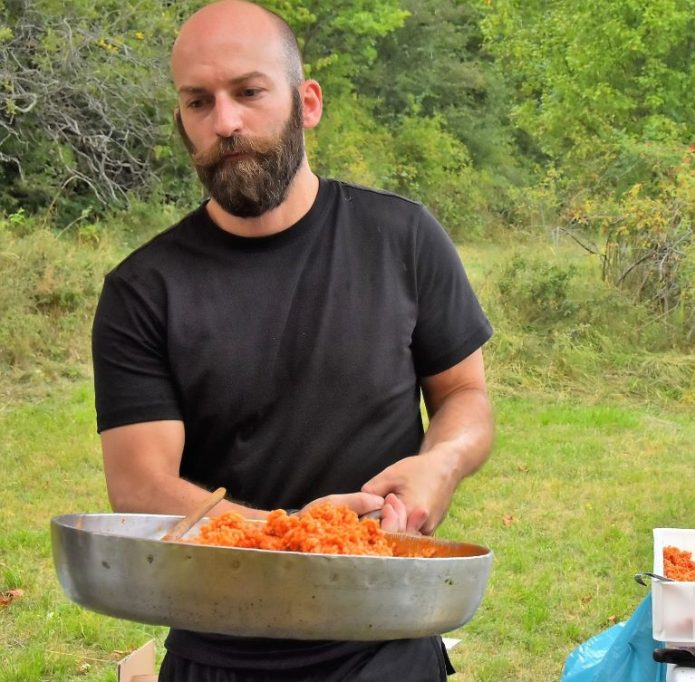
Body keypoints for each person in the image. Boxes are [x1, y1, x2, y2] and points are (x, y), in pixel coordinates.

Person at [90, 1, 494, 679]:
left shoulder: (403, 238)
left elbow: (464, 394)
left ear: (307, 102)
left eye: (249, 92)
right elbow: (139, 484)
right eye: (199, 101)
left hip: (386, 638)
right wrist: (294, 536)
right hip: (218, 645)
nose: (226, 122)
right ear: (182, 121)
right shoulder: (143, 290)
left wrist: (441, 462)